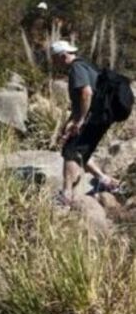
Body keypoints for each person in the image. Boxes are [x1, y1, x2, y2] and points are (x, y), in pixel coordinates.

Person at [52, 40, 120, 203]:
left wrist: (80, 120)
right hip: (99, 116)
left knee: (71, 151)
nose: (53, 62)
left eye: (54, 58)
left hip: (92, 117)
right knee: (79, 150)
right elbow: (80, 102)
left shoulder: (77, 67)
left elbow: (86, 93)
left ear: (62, 56)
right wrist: (69, 123)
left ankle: (66, 195)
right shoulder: (86, 65)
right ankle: (107, 182)